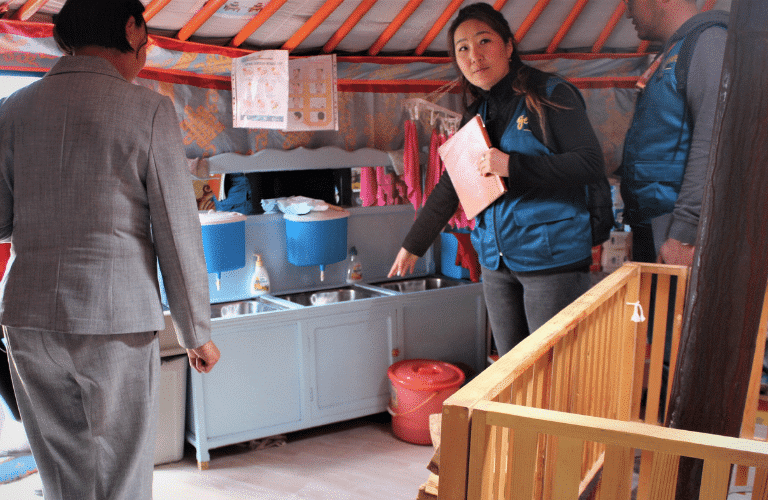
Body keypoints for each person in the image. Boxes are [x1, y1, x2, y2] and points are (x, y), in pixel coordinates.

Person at [0, 0, 220, 498]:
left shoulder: (14, 108)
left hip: (28, 316)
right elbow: (176, 229)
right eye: (147, 36)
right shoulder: (148, 110)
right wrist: (195, 331)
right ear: (129, 27)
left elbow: (0, 219)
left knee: (62, 474)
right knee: (120, 475)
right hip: (114, 319)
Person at [388, 3, 608, 357]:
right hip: (497, 261)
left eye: (484, 41)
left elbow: (590, 164)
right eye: (462, 48)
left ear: (508, 46)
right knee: (509, 371)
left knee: (550, 367)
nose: (474, 55)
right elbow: (452, 186)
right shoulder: (478, 112)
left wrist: (513, 166)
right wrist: (413, 245)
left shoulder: (549, 94)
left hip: (551, 259)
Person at [618, 0, 728, 266]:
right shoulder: (670, 53)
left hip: (681, 234)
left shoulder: (709, 41)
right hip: (656, 226)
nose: (627, 12)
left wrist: (684, 233)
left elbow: (715, 136)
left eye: (630, 2)